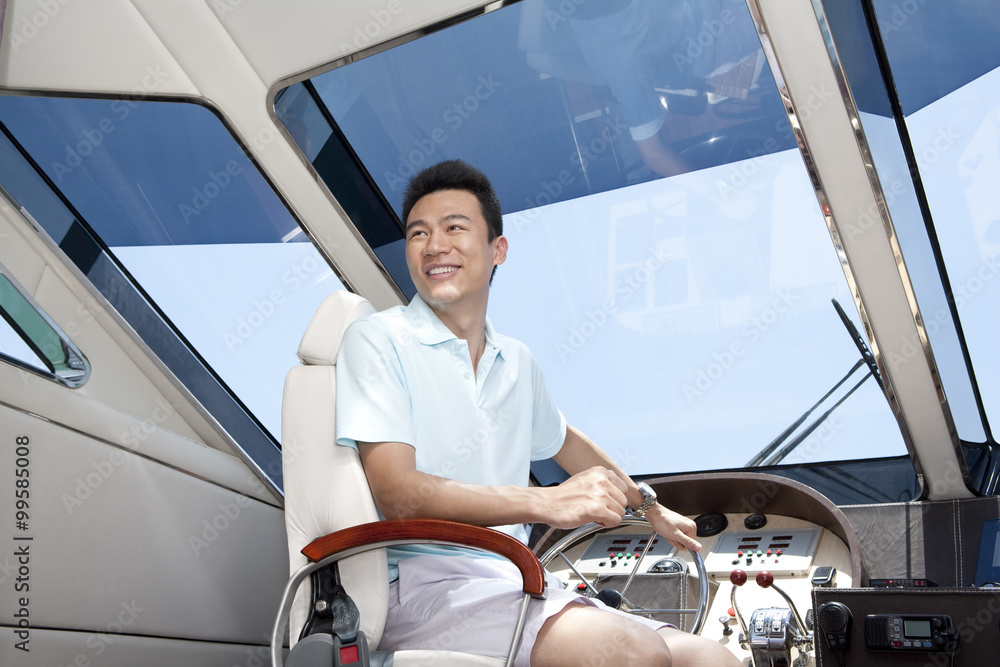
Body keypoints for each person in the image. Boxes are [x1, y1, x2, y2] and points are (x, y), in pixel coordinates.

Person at [335, 159, 740, 666]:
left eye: (454, 228)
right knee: (632, 653)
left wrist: (648, 505)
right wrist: (545, 503)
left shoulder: (516, 361)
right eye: (419, 233)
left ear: (497, 249)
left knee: (711, 659)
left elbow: (567, 444)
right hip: (423, 587)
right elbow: (398, 494)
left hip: (515, 580)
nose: (434, 245)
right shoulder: (378, 339)